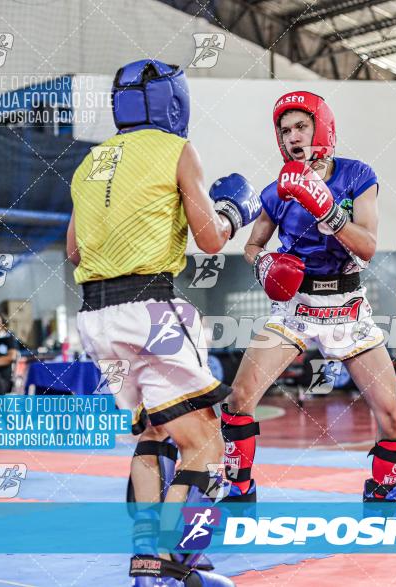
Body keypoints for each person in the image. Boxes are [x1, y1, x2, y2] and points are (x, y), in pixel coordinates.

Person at [69, 59, 259, 586]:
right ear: (174, 103)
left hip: (95, 317)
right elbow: (212, 241)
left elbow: (73, 248)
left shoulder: (90, 163)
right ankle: (180, 562)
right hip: (150, 309)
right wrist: (231, 210)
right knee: (206, 443)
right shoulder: (177, 150)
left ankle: (146, 566)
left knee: (153, 434)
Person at [219, 91, 396, 506]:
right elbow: (253, 246)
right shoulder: (275, 192)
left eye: (301, 126)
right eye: (285, 131)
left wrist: (327, 210)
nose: (293, 137)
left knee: (392, 415)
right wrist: (264, 266)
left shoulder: (358, 176)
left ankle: (383, 488)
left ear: (322, 127)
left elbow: (368, 246)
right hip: (295, 308)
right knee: (239, 398)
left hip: (349, 308)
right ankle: (239, 487)